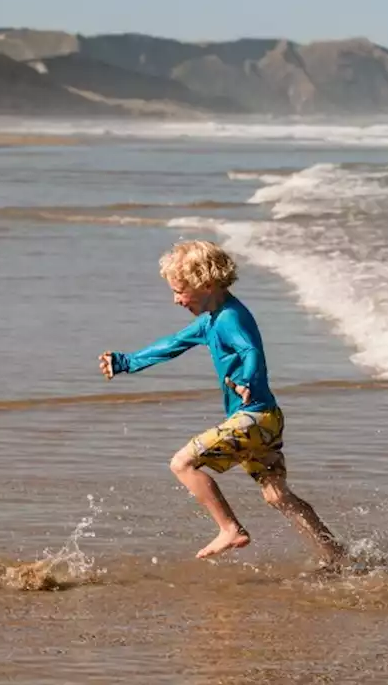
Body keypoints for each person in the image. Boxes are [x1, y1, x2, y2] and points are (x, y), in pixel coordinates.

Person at [98, 240, 345, 564]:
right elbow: (172, 344)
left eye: (180, 291)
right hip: (266, 419)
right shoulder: (212, 320)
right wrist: (126, 361)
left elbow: (250, 351)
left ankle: (230, 528)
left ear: (207, 284)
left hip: (251, 417)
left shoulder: (230, 318)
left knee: (182, 463)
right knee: (277, 495)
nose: (176, 300)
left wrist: (246, 379)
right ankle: (337, 556)